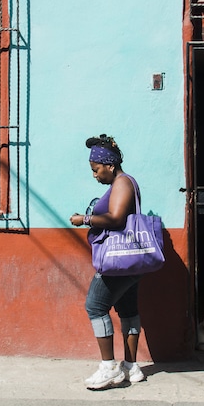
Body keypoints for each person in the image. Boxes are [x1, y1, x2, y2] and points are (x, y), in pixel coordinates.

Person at [69, 134, 146, 390]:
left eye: (96, 169)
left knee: (95, 306)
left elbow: (116, 219)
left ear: (109, 165)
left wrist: (85, 219)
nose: (95, 175)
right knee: (127, 310)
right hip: (130, 261)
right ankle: (131, 367)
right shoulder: (124, 183)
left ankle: (109, 367)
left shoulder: (122, 183)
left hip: (117, 260)